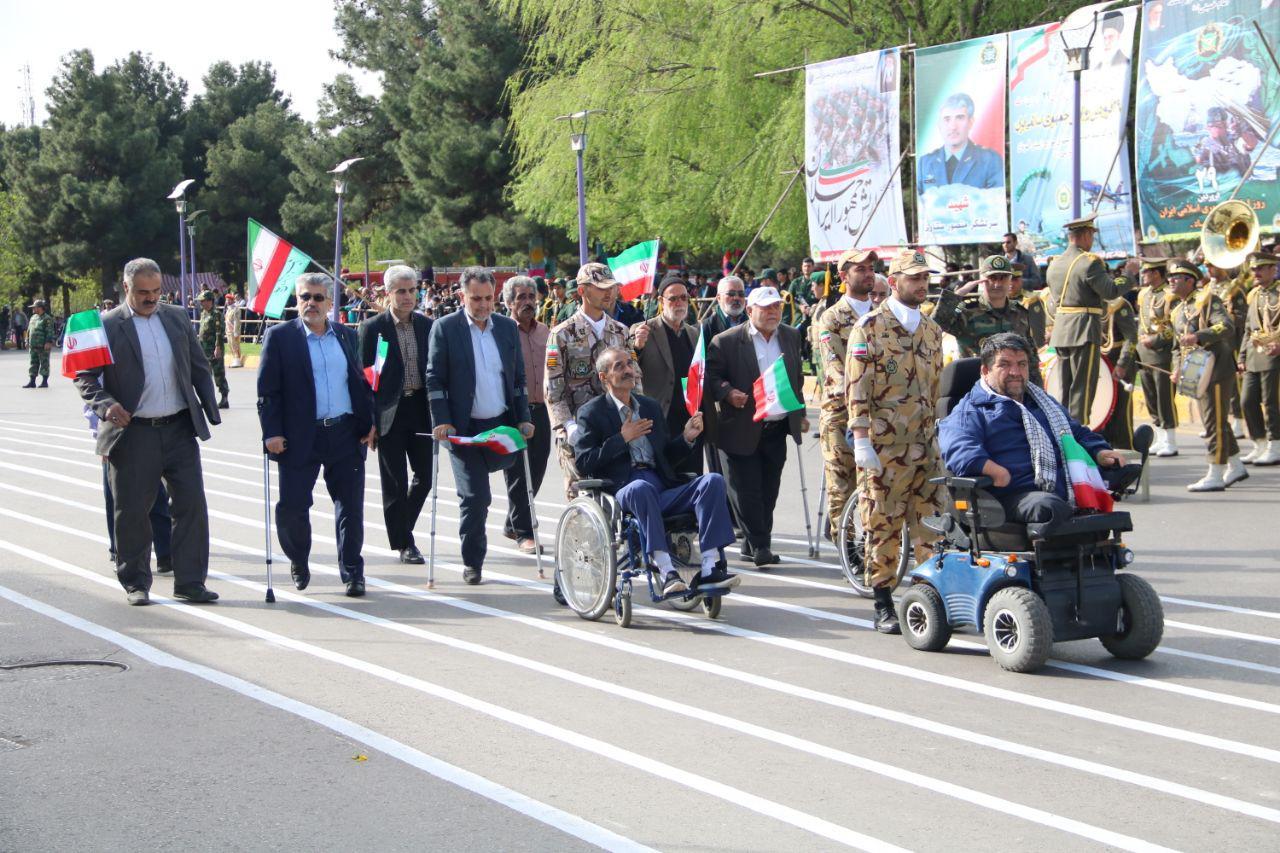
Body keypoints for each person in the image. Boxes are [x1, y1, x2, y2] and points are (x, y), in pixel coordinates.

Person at [74, 258, 221, 606]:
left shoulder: (177, 317)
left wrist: (210, 410)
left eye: (156, 291)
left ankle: (190, 582)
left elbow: (197, 365)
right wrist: (106, 405)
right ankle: (136, 582)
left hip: (179, 428)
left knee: (191, 506)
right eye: (143, 292)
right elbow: (84, 376)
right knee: (132, 511)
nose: (152, 298)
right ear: (126, 288)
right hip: (133, 432)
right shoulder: (106, 325)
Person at [574, 346, 739, 595]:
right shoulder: (592, 412)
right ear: (603, 377)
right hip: (624, 490)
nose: (628, 370)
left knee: (713, 481)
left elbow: (666, 457)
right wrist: (622, 438)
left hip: (660, 485)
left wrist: (686, 438)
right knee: (641, 488)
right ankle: (666, 571)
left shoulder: (649, 406)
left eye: (629, 364)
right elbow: (584, 462)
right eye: (619, 366)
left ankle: (709, 567)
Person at [258, 273, 377, 597]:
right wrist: (272, 432)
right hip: (299, 436)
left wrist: (369, 422)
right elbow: (268, 392)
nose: (310, 303)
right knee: (292, 507)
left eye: (317, 297)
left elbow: (359, 382)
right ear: (297, 300)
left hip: (345, 433)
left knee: (350, 507)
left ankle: (353, 572)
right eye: (304, 297)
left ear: (329, 302)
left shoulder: (345, 334)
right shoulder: (280, 337)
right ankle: (298, 558)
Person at [845, 249, 945, 634]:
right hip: (884, 447)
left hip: (925, 445)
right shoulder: (870, 328)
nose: (921, 284)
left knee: (932, 524)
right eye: (914, 278)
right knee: (882, 523)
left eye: (925, 278)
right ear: (894, 280)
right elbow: (857, 388)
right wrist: (861, 439)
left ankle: (927, 597)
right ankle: (883, 601)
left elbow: (935, 388)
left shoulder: (932, 331)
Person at [939, 333, 1125, 527]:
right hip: (1009, 496)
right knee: (1050, 506)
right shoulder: (972, 409)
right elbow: (958, 448)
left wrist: (1100, 451)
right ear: (985, 371)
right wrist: (994, 471)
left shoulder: (1042, 402)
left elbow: (1076, 433)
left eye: (1022, 364)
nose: (1015, 372)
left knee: (1105, 501)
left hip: (1060, 491)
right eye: (1004, 365)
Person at [428, 267, 534, 584]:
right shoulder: (446, 328)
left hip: (501, 425)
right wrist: (442, 420)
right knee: (476, 498)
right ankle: (473, 562)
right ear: (463, 296)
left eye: (489, 298)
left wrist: (524, 417)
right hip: (464, 430)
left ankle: (518, 527)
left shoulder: (506, 328)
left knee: (520, 477)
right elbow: (435, 379)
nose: (484, 305)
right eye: (476, 299)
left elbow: (518, 378)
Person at [706, 286, 807, 566]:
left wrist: (799, 412)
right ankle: (761, 546)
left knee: (769, 491)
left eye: (776, 306)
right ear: (750, 311)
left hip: (776, 427)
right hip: (741, 427)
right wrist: (728, 392)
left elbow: (796, 377)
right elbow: (711, 377)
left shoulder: (790, 335)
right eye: (766, 308)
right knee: (746, 491)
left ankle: (752, 544)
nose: (773, 312)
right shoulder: (725, 341)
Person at [359, 265, 434, 563]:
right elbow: (364, 379)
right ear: (388, 293)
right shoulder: (372, 329)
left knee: (425, 477)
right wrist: (369, 421)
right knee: (395, 483)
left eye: (412, 290)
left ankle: (403, 529)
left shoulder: (428, 326)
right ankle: (405, 544)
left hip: (421, 409)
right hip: (389, 412)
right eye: (401, 291)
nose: (407, 296)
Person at [546, 262, 638, 495]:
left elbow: (634, 379)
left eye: (611, 287)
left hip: (617, 428)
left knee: (621, 495)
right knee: (582, 498)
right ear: (582, 291)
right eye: (600, 287)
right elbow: (553, 390)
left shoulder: (621, 332)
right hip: (580, 429)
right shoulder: (561, 334)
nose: (609, 293)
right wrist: (568, 426)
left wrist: (638, 415)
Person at [1166, 259, 1245, 491]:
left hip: (1217, 369)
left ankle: (1216, 473)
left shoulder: (1208, 300)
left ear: (1190, 280)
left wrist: (1200, 336)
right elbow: (1176, 347)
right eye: (1170, 277)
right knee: (1216, 420)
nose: (1170, 281)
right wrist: (1177, 368)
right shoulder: (1177, 310)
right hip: (1196, 370)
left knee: (1213, 422)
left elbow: (1226, 326)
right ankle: (1236, 465)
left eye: (1176, 277)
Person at [815, 248, 878, 540]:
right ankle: (847, 546)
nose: (868, 274)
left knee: (876, 486)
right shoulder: (831, 318)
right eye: (860, 269)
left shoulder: (882, 314)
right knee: (842, 487)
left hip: (878, 414)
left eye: (871, 269)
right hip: (841, 414)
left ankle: (873, 542)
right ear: (843, 276)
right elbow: (835, 369)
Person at [1046, 214, 1128, 423]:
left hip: (1062, 330)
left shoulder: (1054, 263)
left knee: (1065, 387)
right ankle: (1079, 431)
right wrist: (1128, 275)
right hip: (1083, 329)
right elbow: (1110, 291)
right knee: (1083, 387)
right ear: (1085, 235)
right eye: (1091, 235)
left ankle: (1064, 430)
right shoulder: (1089, 263)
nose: (1092, 240)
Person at [630, 272, 704, 476]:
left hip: (689, 419)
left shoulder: (694, 333)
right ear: (662, 301)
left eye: (683, 297)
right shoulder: (643, 330)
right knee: (663, 477)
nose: (679, 303)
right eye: (673, 298)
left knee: (692, 478)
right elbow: (628, 366)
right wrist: (637, 347)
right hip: (659, 418)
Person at [502, 274, 552, 553]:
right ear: (509, 302)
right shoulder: (500, 331)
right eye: (521, 297)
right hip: (513, 412)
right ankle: (524, 532)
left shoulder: (546, 332)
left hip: (542, 410)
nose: (528, 302)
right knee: (518, 473)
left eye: (531, 297)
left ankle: (512, 522)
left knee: (538, 468)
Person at [933, 255, 1039, 383]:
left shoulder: (1020, 313)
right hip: (975, 384)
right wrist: (956, 296)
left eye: (1003, 278)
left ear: (1010, 279)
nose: (997, 284)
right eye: (992, 278)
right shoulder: (966, 311)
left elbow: (1031, 357)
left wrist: (1037, 389)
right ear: (982, 280)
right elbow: (934, 327)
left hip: (1012, 386)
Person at [1134, 258, 1179, 456]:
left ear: (1156, 274)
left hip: (1162, 353)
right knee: (1151, 398)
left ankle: (1170, 440)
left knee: (1164, 398)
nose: (1143, 275)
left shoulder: (1170, 295)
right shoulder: (1144, 294)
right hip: (1144, 354)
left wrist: (1157, 339)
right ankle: (1160, 437)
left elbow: (1175, 326)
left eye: (1147, 272)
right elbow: (1141, 324)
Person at [916, 92, 1004, 195]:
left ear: (971, 122)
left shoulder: (990, 160)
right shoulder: (925, 163)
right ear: (939, 125)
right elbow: (920, 201)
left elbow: (996, 202)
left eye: (960, 118)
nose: (953, 127)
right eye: (947, 119)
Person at [1239, 251, 1280, 465]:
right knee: (1247, 400)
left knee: (1271, 402)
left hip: (1274, 355)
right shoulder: (1254, 294)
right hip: (1254, 355)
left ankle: (1276, 444)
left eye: (1261, 268)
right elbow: (1248, 328)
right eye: (1254, 268)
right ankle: (1260, 443)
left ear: (1273, 269)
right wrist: (1242, 356)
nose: (1256, 272)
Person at [1206, 260, 1249, 437]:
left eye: (1212, 265)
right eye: (1207, 266)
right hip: (1213, 344)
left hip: (1231, 343)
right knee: (1213, 384)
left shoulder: (1235, 290)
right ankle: (1218, 422)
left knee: (1235, 386)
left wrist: (1224, 316)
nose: (1208, 269)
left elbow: (1242, 317)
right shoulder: (1207, 289)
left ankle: (1239, 421)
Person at [1099, 294, 1139, 450]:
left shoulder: (1119, 305)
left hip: (1118, 360)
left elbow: (1131, 337)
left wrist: (1122, 363)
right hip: (1100, 363)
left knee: (1121, 411)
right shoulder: (1088, 301)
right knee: (1102, 410)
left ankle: (1125, 448)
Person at [197, 290, 230, 408]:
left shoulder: (216, 314)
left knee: (218, 374)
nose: (201, 303)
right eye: (201, 301)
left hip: (214, 349)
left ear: (210, 301)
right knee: (206, 375)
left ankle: (224, 398)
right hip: (204, 349)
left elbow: (219, 332)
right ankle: (208, 399)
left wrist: (218, 347)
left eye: (203, 301)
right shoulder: (204, 313)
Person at [700, 275, 747, 340]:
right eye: (731, 294)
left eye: (741, 294)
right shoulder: (706, 327)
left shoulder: (753, 323)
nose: (736, 298)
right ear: (719, 297)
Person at [22, 299, 55, 388]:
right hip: (33, 345)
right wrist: (27, 340)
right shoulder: (33, 317)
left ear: (40, 308)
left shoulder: (47, 318)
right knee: (33, 363)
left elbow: (50, 331)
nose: (33, 309)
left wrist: (48, 342)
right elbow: (29, 330)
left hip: (43, 345)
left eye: (35, 307)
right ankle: (32, 382)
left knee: (44, 363)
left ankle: (44, 382)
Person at [225, 291, 244, 368]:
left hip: (234, 331)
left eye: (228, 300)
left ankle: (237, 360)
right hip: (228, 331)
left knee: (235, 346)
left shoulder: (236, 309)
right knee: (230, 345)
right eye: (226, 300)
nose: (227, 301)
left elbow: (236, 321)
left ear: (232, 300)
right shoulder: (228, 310)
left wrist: (236, 332)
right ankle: (234, 359)